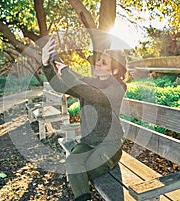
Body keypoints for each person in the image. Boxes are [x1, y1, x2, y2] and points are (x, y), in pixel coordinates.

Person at [41, 36, 128, 201]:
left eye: (103, 63)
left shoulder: (118, 88)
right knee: (72, 163)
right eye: (99, 60)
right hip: (88, 142)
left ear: (115, 70)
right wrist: (47, 64)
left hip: (109, 145)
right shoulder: (91, 83)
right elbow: (60, 85)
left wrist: (66, 72)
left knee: (83, 170)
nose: (97, 63)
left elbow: (91, 93)